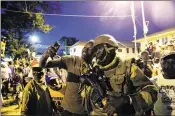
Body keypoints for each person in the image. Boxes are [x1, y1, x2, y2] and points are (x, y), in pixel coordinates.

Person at [84, 34, 158, 116]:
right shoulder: (96, 70)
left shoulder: (128, 68)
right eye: (95, 50)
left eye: (99, 48)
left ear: (110, 48)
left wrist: (127, 101)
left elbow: (152, 91)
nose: (97, 52)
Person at [39, 40, 94, 116]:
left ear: (95, 53)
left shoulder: (97, 69)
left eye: (89, 48)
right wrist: (46, 55)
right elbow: (44, 65)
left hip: (84, 112)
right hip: (66, 110)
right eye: (84, 47)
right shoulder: (71, 60)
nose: (85, 49)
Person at [151, 49, 175, 116]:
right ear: (161, 63)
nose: (170, 65)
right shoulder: (153, 82)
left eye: (173, 62)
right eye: (167, 62)